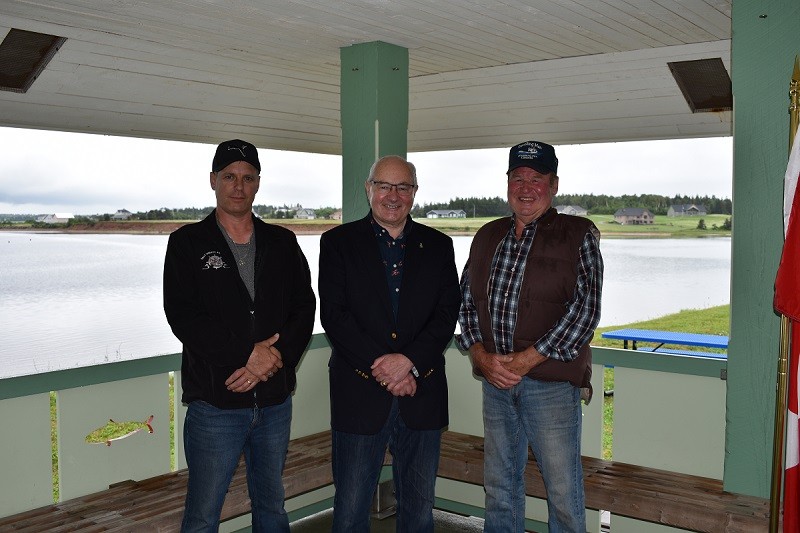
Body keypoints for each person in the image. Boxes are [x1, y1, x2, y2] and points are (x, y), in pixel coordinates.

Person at [163, 139, 316, 532]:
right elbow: (183, 316)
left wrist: (271, 361)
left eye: (247, 178)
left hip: (273, 404)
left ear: (258, 183)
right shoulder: (187, 243)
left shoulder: (283, 242)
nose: (238, 185)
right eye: (229, 176)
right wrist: (246, 355)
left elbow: (304, 305)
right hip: (215, 404)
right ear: (213, 180)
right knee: (202, 515)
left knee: (271, 506)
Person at [457, 140, 603, 533]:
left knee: (562, 490)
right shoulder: (487, 235)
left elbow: (585, 312)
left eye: (536, 178)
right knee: (499, 486)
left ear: (553, 185)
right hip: (496, 382)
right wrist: (479, 356)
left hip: (551, 386)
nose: (525, 187)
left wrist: (525, 360)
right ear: (507, 183)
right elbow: (467, 303)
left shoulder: (579, 234)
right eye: (517, 177)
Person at [318, 155, 461, 533]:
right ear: (369, 189)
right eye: (384, 186)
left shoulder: (440, 245)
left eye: (403, 187)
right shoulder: (337, 243)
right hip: (358, 394)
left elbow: (447, 315)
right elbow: (335, 316)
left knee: (418, 511)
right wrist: (385, 368)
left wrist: (409, 362)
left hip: (422, 392)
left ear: (414, 193)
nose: (393, 195)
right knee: (349, 511)